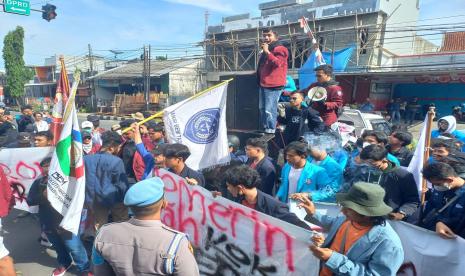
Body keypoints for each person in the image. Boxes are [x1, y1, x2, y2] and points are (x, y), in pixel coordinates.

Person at [92, 177, 200, 276]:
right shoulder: (177, 243)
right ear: (164, 204)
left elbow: (100, 272)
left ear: (131, 208)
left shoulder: (104, 233)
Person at [296, 182, 404, 276]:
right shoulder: (349, 219)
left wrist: (333, 259)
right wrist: (313, 213)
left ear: (366, 214)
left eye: (349, 209)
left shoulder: (389, 243)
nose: (342, 211)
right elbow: (333, 224)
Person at [27, 157, 91, 276]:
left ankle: (85, 268)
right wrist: (43, 197)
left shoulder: (69, 181)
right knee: (58, 247)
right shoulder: (39, 182)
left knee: (75, 247)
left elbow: (79, 199)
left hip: (66, 222)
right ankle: (64, 263)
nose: (46, 170)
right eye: (44, 167)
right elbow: (30, 200)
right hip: (48, 222)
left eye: (49, 166)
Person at [221, 165, 310, 229]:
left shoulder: (275, 206)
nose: (228, 189)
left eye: (229, 186)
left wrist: (315, 237)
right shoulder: (238, 198)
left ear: (240, 188)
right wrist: (216, 199)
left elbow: (301, 227)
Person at [359, 145, 420, 221]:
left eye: (372, 164)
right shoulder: (362, 171)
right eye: (364, 163)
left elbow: (412, 201)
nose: (368, 166)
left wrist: (402, 213)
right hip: (363, 216)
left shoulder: (402, 176)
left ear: (384, 160)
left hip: (387, 219)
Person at [84, 131, 129, 230]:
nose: (119, 149)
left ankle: (97, 243)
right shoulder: (117, 161)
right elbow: (122, 185)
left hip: (93, 199)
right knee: (121, 223)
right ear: (112, 147)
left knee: (99, 226)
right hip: (114, 198)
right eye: (119, 147)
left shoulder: (86, 159)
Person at [257, 28, 289, 134]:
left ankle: (271, 129)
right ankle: (265, 127)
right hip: (264, 83)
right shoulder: (268, 49)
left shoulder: (280, 49)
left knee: (269, 109)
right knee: (262, 108)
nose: (266, 38)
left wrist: (267, 52)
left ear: (276, 37)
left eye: (269, 35)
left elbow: (278, 64)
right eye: (264, 35)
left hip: (273, 85)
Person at [421, 162, 465, 239]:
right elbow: (431, 207)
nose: (435, 187)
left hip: (453, 239)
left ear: (450, 180)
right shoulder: (440, 188)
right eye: (433, 184)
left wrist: (442, 222)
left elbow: (461, 219)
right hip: (433, 235)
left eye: (437, 184)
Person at [119, 119, 138, 185]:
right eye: (123, 134)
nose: (124, 136)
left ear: (134, 131)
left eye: (127, 134)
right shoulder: (123, 144)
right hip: (124, 177)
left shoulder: (141, 146)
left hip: (134, 179)